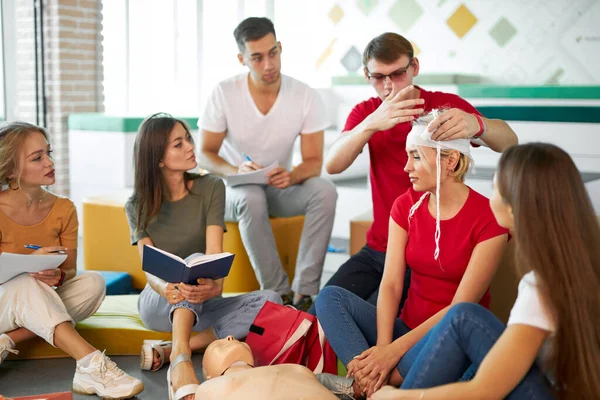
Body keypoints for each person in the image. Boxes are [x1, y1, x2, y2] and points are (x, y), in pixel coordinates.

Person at [370, 143, 600, 400]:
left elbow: (484, 391)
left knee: (463, 316)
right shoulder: (581, 267)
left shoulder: (540, 289)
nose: (488, 198)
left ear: (513, 206)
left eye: (494, 188)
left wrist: (398, 397)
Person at [315, 32, 518, 311]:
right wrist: (370, 124)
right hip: (380, 247)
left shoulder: (442, 105)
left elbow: (510, 142)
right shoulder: (367, 112)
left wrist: (477, 124)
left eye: (398, 73)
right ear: (366, 75)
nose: (389, 86)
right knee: (320, 312)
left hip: (426, 252)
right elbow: (332, 165)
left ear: (414, 68)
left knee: (377, 319)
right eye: (378, 77)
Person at [315, 111, 509, 398]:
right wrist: (383, 349)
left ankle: (364, 387)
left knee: (452, 363)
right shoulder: (405, 205)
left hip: (449, 337)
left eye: (416, 156)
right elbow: (392, 284)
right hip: (404, 329)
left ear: (450, 161)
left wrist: (393, 351)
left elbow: (460, 308)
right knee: (329, 297)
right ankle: (372, 384)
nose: (406, 167)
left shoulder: (490, 220)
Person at [125, 113, 281, 399]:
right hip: (159, 300)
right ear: (158, 158)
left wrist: (216, 286)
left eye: (188, 138)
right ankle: (181, 359)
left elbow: (213, 254)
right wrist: (166, 288)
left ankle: (174, 347)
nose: (190, 146)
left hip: (201, 299)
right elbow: (148, 266)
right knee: (191, 264)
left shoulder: (211, 187)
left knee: (272, 301)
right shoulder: (136, 204)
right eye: (177, 144)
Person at [199, 17, 337, 311]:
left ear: (280, 47)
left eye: (273, 53)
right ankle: (278, 293)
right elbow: (206, 154)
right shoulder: (224, 92)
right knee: (250, 196)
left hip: (276, 187)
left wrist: (292, 175)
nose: (268, 64)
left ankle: (304, 292)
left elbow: (314, 162)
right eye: (257, 58)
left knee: (325, 191)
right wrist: (235, 170)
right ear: (242, 59)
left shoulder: (304, 95)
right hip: (232, 191)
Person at [0, 122, 143, 398]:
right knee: (24, 284)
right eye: (37, 157)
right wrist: (28, 260)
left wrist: (59, 276)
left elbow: (70, 269)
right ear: (11, 171)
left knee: (93, 282)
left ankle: (8, 340)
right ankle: (90, 364)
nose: (50, 162)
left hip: (36, 301)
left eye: (49, 153)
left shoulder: (64, 208)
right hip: (5, 302)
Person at [193, 335, 339, 400]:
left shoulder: (293, 369)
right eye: (218, 345)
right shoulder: (208, 388)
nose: (230, 337)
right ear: (209, 375)